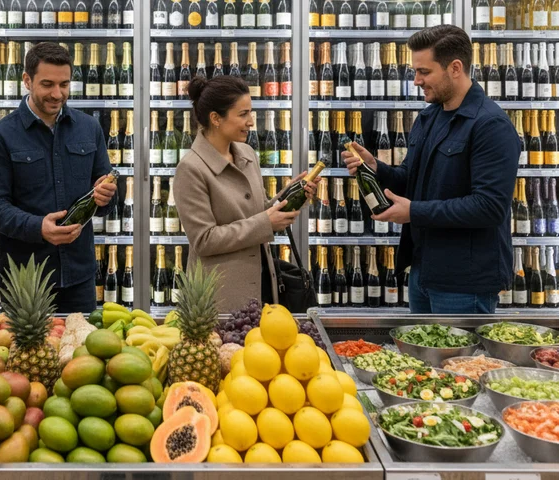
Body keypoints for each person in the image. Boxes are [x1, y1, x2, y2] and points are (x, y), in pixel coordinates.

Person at [343, 25, 519, 314]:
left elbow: (489, 207)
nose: (416, 81)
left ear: (455, 68)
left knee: (461, 361)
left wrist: (414, 212)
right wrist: (377, 169)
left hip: (465, 281)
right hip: (423, 270)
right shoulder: (428, 118)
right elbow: (411, 180)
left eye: (424, 72)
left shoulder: (490, 126)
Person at [0, 42, 117, 314]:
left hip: (79, 276)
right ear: (27, 81)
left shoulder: (89, 128)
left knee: (81, 355)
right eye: (47, 84)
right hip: (25, 280)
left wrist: (106, 197)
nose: (57, 94)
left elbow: (107, 199)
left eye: (64, 84)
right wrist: (38, 227)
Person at [174, 76, 318, 312]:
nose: (251, 122)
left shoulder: (246, 153)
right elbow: (204, 240)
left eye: (250, 113)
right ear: (216, 118)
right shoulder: (191, 169)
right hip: (220, 295)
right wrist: (266, 222)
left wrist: (292, 195)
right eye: (243, 114)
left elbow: (258, 210)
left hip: (263, 283)